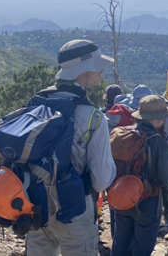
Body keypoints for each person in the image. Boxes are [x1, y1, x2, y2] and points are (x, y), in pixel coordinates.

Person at [26, 39, 116, 256]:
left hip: (36, 206)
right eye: (97, 66)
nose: (101, 70)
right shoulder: (94, 118)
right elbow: (101, 180)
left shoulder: (35, 104)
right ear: (83, 70)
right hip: (75, 210)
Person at [111, 95, 168, 256]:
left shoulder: (124, 134)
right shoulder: (158, 142)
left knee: (120, 243)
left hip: (122, 197)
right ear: (160, 118)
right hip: (148, 201)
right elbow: (167, 179)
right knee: (142, 248)